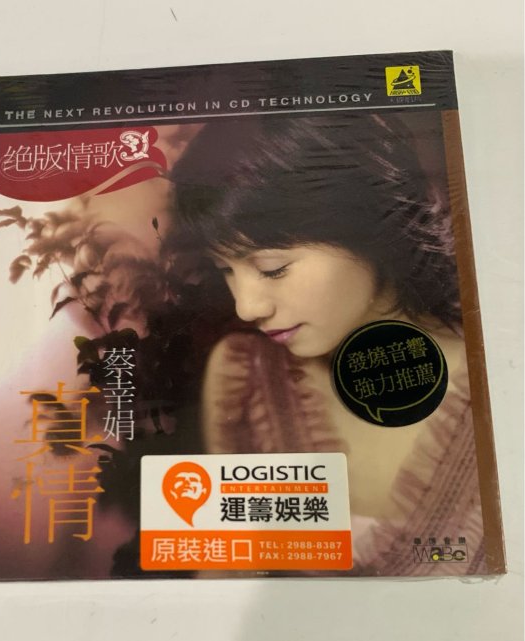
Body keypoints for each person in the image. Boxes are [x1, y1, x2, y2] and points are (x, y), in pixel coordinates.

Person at [170, 113, 487, 575]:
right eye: (226, 271)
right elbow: (224, 575)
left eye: (273, 268)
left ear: (368, 226)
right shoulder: (247, 377)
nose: (246, 307)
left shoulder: (496, 382)